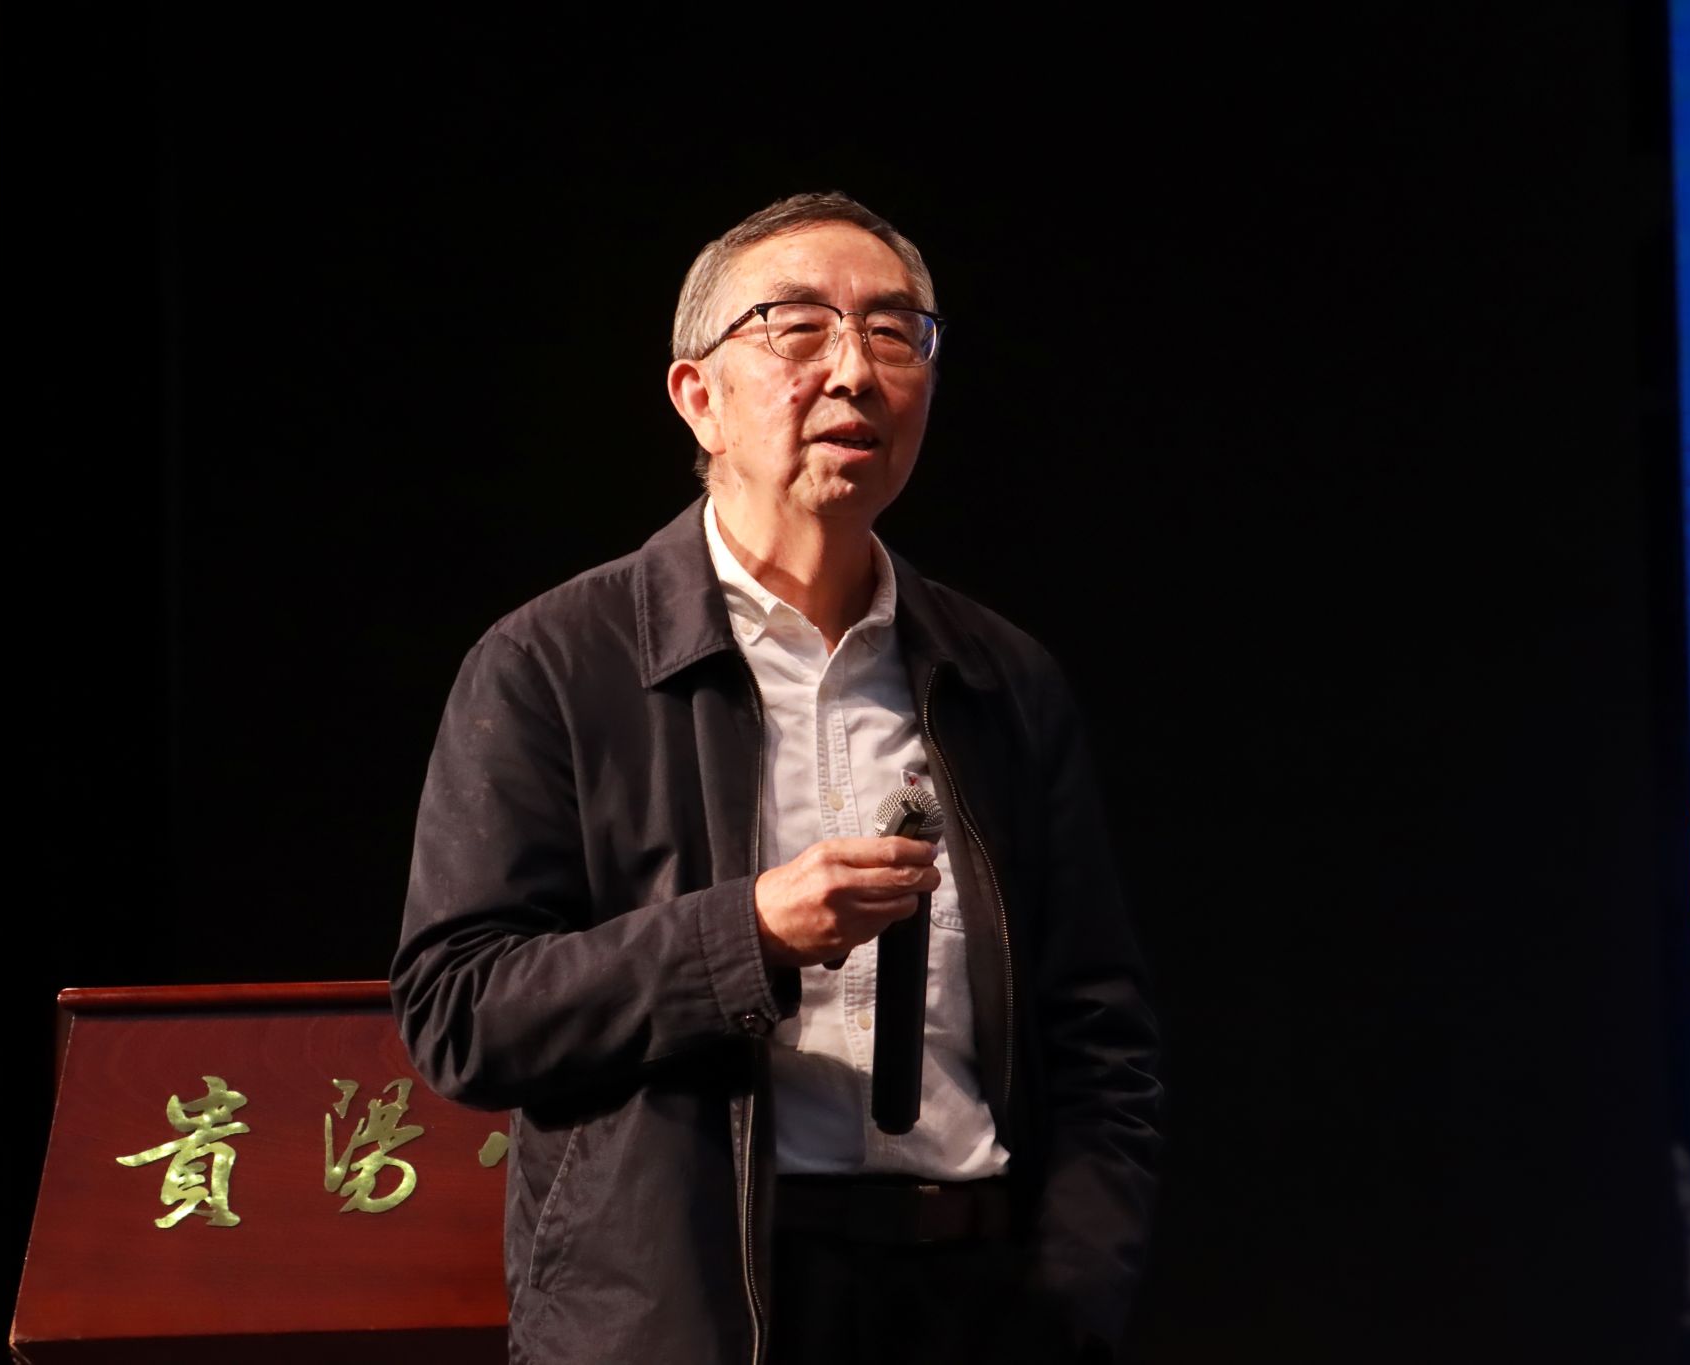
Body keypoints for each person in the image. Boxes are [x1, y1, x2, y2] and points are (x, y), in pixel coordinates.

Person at [392, 191, 1163, 1364]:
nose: (853, 371)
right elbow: (461, 1011)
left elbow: (1098, 1034)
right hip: (691, 1315)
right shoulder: (555, 663)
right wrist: (747, 932)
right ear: (696, 397)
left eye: (894, 333)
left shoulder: (999, 677)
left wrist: (1072, 1297)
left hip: (970, 1304)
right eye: (798, 329)